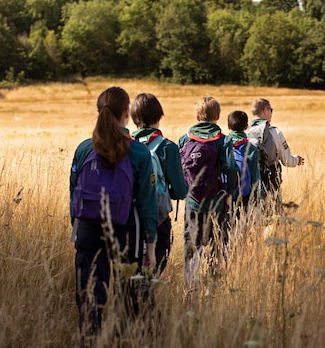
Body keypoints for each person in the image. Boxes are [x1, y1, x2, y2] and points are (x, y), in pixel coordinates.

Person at [69, 87, 158, 345]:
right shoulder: (140, 153)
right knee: (128, 295)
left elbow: (73, 193)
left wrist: (77, 228)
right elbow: (148, 204)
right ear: (126, 113)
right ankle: (124, 341)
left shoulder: (84, 149)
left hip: (87, 227)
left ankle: (89, 340)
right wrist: (150, 247)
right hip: (126, 228)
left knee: (89, 295)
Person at [178, 96, 238, 293]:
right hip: (217, 203)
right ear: (218, 116)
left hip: (192, 203)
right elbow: (230, 169)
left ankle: (190, 290)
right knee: (217, 245)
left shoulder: (185, 139)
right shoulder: (224, 140)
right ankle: (212, 289)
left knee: (191, 246)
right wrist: (229, 194)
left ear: (197, 117)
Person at [130, 92, 187, 276]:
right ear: (158, 116)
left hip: (126, 218)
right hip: (157, 218)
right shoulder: (167, 147)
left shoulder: (123, 145)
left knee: (131, 274)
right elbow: (179, 190)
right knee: (152, 273)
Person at [246, 98, 304, 212]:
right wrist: (296, 160)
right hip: (271, 182)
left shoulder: (245, 132)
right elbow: (287, 160)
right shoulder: (274, 132)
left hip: (249, 183)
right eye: (271, 110)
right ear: (265, 110)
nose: (272, 113)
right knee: (273, 218)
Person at [225, 110, 262, 218]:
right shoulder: (251, 149)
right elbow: (255, 176)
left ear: (228, 126)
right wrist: (257, 199)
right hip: (244, 196)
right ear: (246, 127)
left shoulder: (222, 144)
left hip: (224, 195)